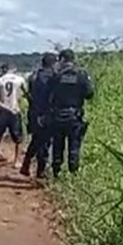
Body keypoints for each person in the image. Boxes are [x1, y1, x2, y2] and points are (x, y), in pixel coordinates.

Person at [49, 49, 94, 178]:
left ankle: (56, 173)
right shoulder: (81, 75)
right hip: (75, 115)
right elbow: (89, 94)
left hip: (58, 115)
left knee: (58, 145)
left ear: (62, 59)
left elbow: (49, 94)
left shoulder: (56, 76)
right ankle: (73, 174)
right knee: (74, 145)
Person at [20, 52, 58, 179]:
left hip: (33, 112)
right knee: (44, 142)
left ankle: (26, 164)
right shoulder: (52, 77)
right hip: (45, 113)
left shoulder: (34, 76)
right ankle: (40, 171)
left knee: (36, 140)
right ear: (53, 63)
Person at [0, 61, 28, 169]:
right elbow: (26, 93)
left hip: (1, 111)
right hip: (15, 110)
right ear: (14, 69)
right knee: (18, 138)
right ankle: (17, 161)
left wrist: (4, 106)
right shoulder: (20, 79)